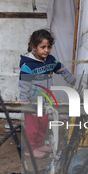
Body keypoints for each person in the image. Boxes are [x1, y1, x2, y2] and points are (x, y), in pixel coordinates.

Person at [19, 29, 76, 159]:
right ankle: (30, 149)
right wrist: (25, 101)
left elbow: (60, 68)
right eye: (42, 47)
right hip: (32, 102)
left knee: (43, 124)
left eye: (49, 47)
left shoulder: (50, 60)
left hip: (44, 101)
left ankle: (38, 144)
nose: (46, 50)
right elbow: (24, 85)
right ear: (34, 47)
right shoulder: (28, 65)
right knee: (32, 127)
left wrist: (69, 78)